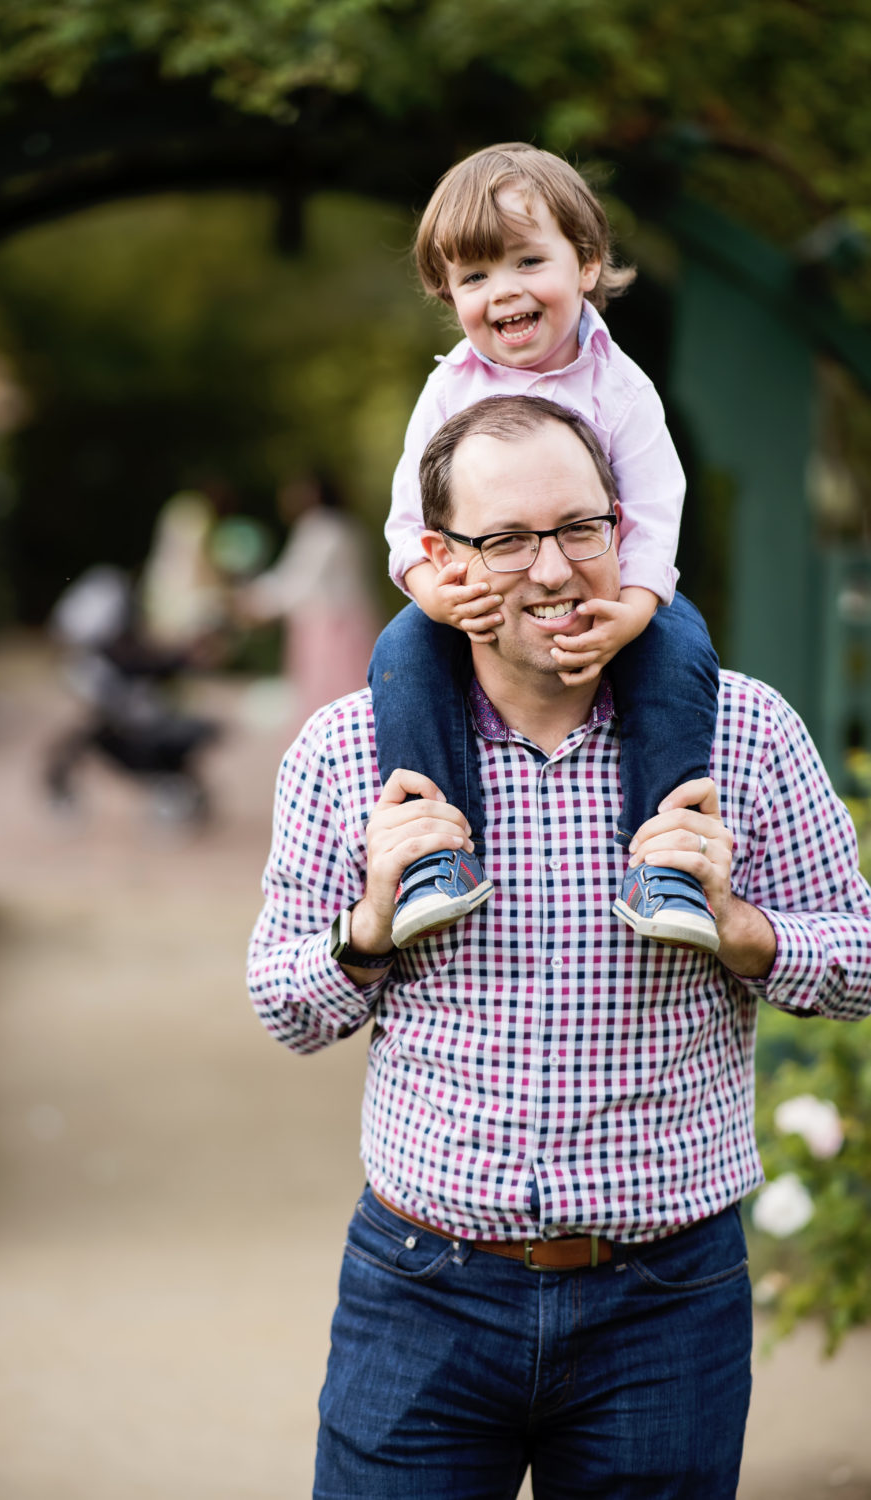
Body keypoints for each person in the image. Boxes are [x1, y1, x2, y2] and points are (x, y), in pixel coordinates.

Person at [247, 395, 871, 1500]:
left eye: (579, 529)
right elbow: (284, 1008)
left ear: (621, 531)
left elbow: (857, 961)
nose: (552, 571)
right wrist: (366, 931)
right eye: (505, 540)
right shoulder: (350, 750)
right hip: (420, 1291)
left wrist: (745, 933)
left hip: (666, 1302)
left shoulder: (744, 733)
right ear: (435, 558)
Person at [371, 142, 720, 955]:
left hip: (612, 596)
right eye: (475, 277)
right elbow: (403, 522)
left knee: (677, 654)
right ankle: (434, 851)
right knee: (400, 654)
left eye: (529, 260)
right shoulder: (448, 390)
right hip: (479, 598)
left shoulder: (619, 389)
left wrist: (630, 612)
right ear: (446, 292)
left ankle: (662, 857)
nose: (505, 292)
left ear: (587, 262)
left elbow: (657, 515)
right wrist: (432, 590)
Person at [241, 473, 381, 734]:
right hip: (351, 624)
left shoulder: (319, 528)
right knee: (352, 696)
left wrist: (256, 603)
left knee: (326, 696)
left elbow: (298, 580)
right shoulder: (348, 526)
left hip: (326, 629)